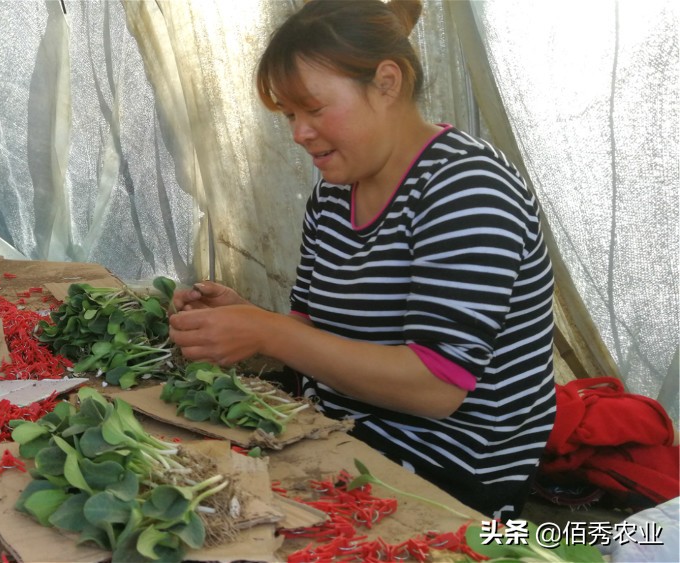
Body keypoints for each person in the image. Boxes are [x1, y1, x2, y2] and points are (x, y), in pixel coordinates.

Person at [168, 0, 556, 521]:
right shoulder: (334, 194)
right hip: (336, 435)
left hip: (446, 473)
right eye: (289, 115)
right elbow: (311, 334)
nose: (298, 133)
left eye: (314, 109)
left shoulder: (467, 189)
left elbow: (437, 385)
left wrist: (266, 332)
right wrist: (238, 319)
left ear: (387, 83)